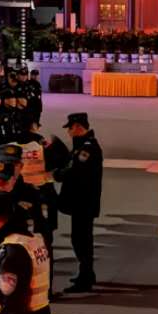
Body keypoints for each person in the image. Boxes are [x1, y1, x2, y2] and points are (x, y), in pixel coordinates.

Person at [55, 111, 103, 291]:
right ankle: (86, 273)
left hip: (83, 202)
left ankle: (86, 277)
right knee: (80, 239)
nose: (68, 132)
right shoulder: (82, 145)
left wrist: (58, 174)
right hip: (81, 202)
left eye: (70, 128)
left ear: (77, 127)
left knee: (82, 240)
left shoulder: (87, 149)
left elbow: (75, 171)